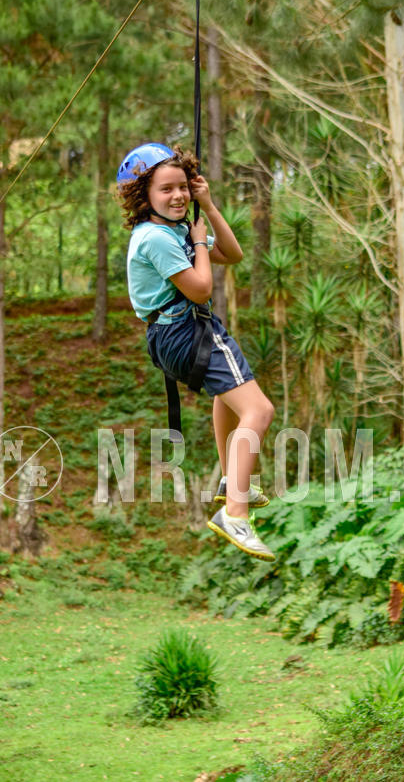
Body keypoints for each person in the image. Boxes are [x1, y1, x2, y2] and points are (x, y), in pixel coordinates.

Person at [117, 142, 276, 562]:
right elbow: (202, 288)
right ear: (143, 197)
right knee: (259, 411)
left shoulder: (171, 230)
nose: (177, 196)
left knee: (229, 394)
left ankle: (231, 479)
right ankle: (235, 514)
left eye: (183, 187)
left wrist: (207, 205)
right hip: (186, 329)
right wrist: (199, 242)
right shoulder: (155, 238)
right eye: (166, 189)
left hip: (173, 334)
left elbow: (235, 255)